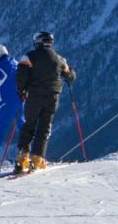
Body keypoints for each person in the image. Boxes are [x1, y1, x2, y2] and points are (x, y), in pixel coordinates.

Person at [14, 31, 76, 173]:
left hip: (34, 95)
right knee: (44, 126)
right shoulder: (60, 59)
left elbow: (20, 77)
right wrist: (70, 70)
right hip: (53, 97)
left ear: (37, 42)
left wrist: (21, 91)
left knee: (29, 125)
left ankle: (22, 158)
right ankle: (37, 158)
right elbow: (70, 78)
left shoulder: (29, 56)